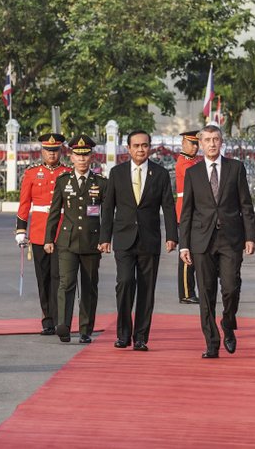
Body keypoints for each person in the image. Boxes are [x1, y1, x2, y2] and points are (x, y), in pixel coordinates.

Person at [179, 124, 255, 358]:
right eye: (207, 140)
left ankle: (228, 322)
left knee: (231, 287)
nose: (212, 143)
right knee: (205, 293)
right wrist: (184, 244)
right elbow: (187, 211)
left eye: (216, 139)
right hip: (201, 240)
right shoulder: (193, 173)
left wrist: (250, 236)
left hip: (231, 239)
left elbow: (246, 205)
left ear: (221, 142)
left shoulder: (236, 168)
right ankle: (211, 343)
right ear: (201, 144)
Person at [99, 130, 178, 351]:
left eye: (144, 145)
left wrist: (172, 236)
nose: (140, 149)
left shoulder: (160, 174)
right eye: (136, 146)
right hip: (124, 239)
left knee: (146, 289)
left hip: (149, 240)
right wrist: (105, 237)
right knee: (124, 283)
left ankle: (141, 337)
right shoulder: (117, 173)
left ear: (149, 147)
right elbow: (108, 207)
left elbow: (168, 207)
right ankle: (123, 334)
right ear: (128, 148)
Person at [44, 135, 106, 344]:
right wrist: (48, 239)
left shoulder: (100, 183)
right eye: (78, 155)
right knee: (66, 284)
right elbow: (54, 212)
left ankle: (86, 329)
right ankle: (63, 325)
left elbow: (107, 214)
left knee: (89, 287)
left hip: (91, 241)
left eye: (85, 155)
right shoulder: (63, 181)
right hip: (67, 241)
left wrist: (105, 238)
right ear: (70, 156)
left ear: (92, 157)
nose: (82, 159)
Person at [15, 132, 69, 335]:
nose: (52, 154)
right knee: (43, 277)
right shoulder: (31, 173)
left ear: (60, 151)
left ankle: (59, 319)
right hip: (38, 232)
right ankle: (47, 319)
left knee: (59, 277)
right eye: (48, 150)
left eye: (55, 151)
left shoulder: (68, 172)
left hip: (61, 232)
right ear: (42, 151)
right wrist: (21, 229)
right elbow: (24, 203)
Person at [175, 130, 202, 304]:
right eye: (192, 143)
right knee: (187, 253)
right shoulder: (184, 163)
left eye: (196, 143)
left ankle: (190, 290)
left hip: (195, 211)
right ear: (184, 143)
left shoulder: (194, 162)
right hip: (186, 211)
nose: (195, 147)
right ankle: (186, 292)